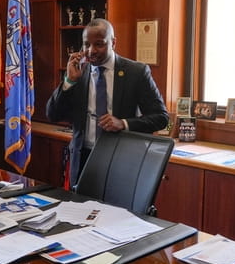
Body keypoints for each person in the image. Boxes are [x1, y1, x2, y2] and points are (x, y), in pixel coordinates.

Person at [46, 18, 169, 188]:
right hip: (83, 157)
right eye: (86, 44)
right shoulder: (78, 72)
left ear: (113, 42)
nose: (91, 51)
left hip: (121, 158)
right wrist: (69, 81)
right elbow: (53, 114)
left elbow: (161, 118)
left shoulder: (136, 72)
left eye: (99, 44)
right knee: (81, 211)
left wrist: (123, 123)